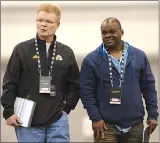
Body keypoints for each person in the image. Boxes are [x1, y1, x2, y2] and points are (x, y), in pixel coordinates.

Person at [1, 3, 79, 142]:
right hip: (27, 119)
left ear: (57, 25)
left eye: (48, 21)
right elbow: (9, 83)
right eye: (40, 20)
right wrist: (9, 112)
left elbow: (74, 84)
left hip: (57, 119)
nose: (43, 24)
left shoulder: (66, 52)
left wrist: (66, 107)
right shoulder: (21, 50)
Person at [80, 17, 158, 143]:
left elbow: (148, 87)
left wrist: (153, 114)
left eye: (112, 31)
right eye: (104, 33)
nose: (108, 35)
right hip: (105, 126)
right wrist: (95, 119)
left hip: (135, 125)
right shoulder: (91, 60)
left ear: (121, 32)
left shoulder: (139, 56)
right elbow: (86, 92)